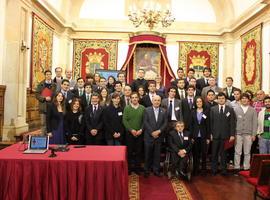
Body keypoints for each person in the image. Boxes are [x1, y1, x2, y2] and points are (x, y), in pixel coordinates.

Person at [210, 92, 236, 176]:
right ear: (217, 100)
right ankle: (214, 170)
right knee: (214, 153)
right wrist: (210, 133)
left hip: (225, 135)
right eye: (219, 98)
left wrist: (232, 134)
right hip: (215, 135)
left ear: (225, 100)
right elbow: (211, 123)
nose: (221, 100)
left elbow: (232, 123)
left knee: (224, 154)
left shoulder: (230, 109)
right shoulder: (213, 109)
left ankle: (223, 170)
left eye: (223, 98)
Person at [143, 95, 167, 177]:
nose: (157, 102)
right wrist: (152, 132)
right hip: (149, 136)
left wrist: (159, 131)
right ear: (152, 101)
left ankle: (156, 170)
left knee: (157, 154)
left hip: (159, 136)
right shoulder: (146, 110)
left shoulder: (164, 111)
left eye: (158, 100)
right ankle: (146, 170)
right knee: (147, 154)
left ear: (160, 102)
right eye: (155, 100)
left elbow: (165, 123)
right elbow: (145, 122)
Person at [234, 93, 257, 171]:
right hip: (238, 134)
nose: (244, 100)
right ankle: (236, 167)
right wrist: (234, 134)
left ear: (248, 100)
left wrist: (254, 134)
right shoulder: (236, 109)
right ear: (240, 100)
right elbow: (233, 122)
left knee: (247, 152)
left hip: (248, 134)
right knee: (238, 152)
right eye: (243, 98)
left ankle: (246, 167)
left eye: (246, 98)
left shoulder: (252, 110)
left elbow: (255, 123)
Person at [123, 92, 145, 175]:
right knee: (129, 152)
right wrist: (131, 130)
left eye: (136, 97)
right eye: (133, 97)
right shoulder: (127, 108)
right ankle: (129, 168)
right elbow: (124, 120)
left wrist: (141, 129)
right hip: (130, 134)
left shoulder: (142, 108)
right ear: (130, 99)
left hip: (139, 133)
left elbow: (144, 121)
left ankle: (137, 168)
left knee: (139, 152)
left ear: (138, 98)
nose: (134, 99)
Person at [190, 96, 210, 175]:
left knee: (204, 154)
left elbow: (208, 125)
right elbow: (191, 125)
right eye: (197, 102)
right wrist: (191, 137)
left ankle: (204, 170)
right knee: (195, 154)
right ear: (195, 103)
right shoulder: (192, 112)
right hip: (195, 136)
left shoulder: (206, 112)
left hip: (203, 136)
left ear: (202, 103)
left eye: (200, 101)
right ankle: (196, 170)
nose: (199, 103)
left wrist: (208, 137)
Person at [35, 70, 57, 135]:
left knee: (51, 122)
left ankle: (51, 139)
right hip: (43, 106)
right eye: (47, 74)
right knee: (43, 123)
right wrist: (44, 98)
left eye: (50, 74)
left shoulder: (54, 84)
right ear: (45, 75)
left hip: (52, 106)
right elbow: (37, 95)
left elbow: (56, 94)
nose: (48, 76)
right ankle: (43, 138)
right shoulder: (41, 84)